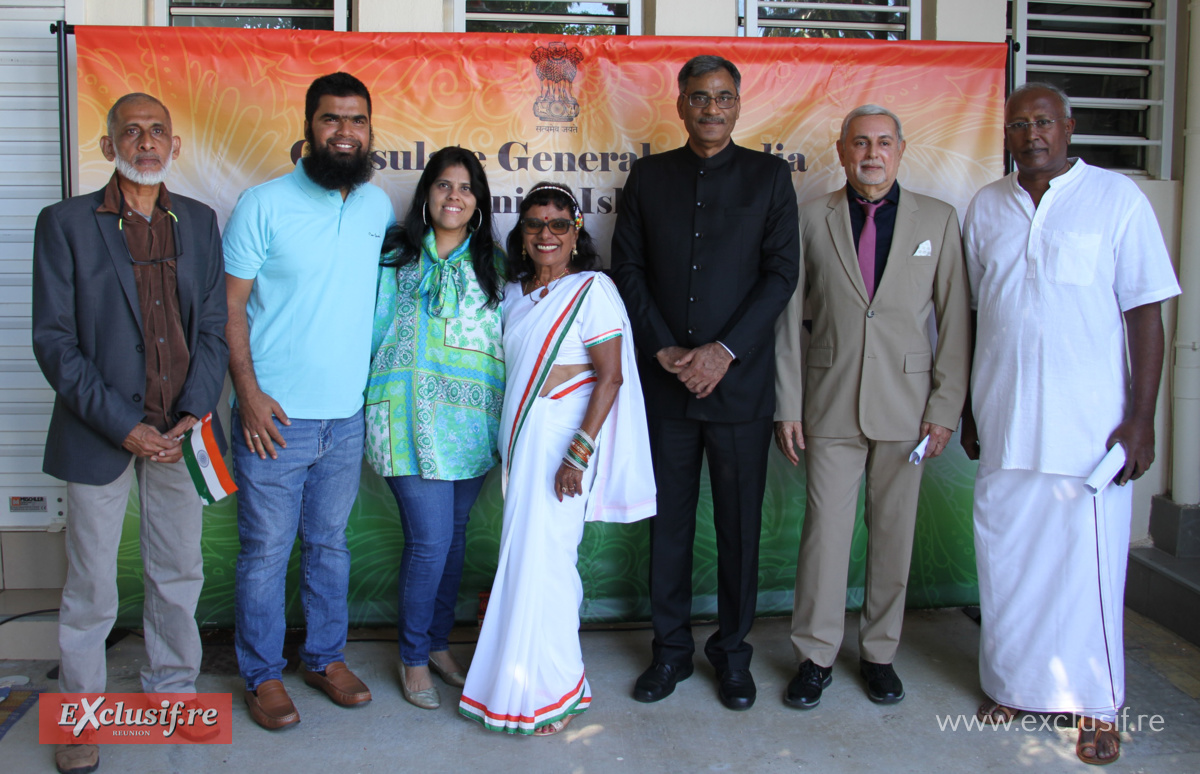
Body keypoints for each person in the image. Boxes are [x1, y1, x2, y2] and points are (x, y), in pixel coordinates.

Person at [961, 82, 1180, 766]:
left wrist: (1140, 418)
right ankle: (1014, 687)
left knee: (1087, 576)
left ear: (1069, 125)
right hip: (1004, 424)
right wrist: (968, 408)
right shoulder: (986, 207)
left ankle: (1097, 705)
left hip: (1091, 434)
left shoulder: (1116, 200)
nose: (1032, 135)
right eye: (1020, 124)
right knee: (1007, 566)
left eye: (1044, 122)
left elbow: (1146, 312)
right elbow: (971, 314)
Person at [32, 92, 228, 774]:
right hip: (100, 433)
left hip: (180, 432)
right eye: (130, 131)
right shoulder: (65, 224)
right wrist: (124, 427)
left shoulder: (201, 223)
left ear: (174, 146)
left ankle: (173, 693)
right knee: (90, 584)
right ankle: (81, 716)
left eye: (156, 132)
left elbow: (211, 328)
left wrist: (189, 413)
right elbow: (55, 343)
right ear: (109, 144)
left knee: (179, 571)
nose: (144, 142)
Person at [611, 54, 800, 711]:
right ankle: (669, 653)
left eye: (723, 97)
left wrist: (721, 352)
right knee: (669, 528)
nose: (711, 108)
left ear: (739, 104)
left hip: (739, 394)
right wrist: (665, 346)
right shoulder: (649, 177)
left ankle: (732, 654)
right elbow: (627, 268)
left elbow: (781, 275)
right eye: (699, 97)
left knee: (738, 532)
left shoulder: (770, 178)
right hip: (664, 389)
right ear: (681, 104)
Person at [773, 105, 971, 709]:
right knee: (825, 538)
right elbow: (787, 323)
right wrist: (788, 405)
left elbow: (956, 321)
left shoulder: (938, 219)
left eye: (884, 142)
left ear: (902, 150)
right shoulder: (811, 219)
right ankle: (815, 656)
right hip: (828, 403)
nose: (872, 153)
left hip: (909, 411)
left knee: (893, 537)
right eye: (860, 142)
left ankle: (880, 653)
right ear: (840, 150)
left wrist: (944, 407)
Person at [223, 72, 395, 730]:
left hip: (345, 418)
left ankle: (323, 659)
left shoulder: (377, 206)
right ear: (309, 129)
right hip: (276, 417)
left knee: (330, 545)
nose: (344, 132)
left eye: (357, 121)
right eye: (331, 120)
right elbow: (230, 307)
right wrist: (248, 392)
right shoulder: (262, 203)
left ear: (370, 131)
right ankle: (261, 675)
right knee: (266, 551)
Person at [459, 182, 655, 735]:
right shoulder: (516, 295)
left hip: (564, 447)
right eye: (535, 224)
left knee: (549, 566)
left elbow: (610, 377)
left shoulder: (593, 290)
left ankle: (552, 690)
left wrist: (578, 454)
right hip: (521, 443)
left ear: (576, 234)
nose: (547, 234)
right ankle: (523, 684)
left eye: (559, 224)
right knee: (524, 562)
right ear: (521, 236)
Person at [365, 146, 505, 710]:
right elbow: (368, 329)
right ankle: (414, 656)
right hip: (402, 416)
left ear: (479, 202)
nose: (455, 196)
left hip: (472, 425)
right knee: (430, 543)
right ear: (426, 194)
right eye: (444, 185)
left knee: (453, 542)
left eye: (466, 187)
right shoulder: (394, 258)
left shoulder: (495, 264)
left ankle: (440, 644)